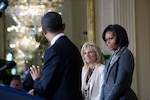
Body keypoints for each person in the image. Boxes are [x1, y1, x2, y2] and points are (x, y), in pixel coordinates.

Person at [28, 11, 84, 100]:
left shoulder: (53, 51)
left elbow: (44, 88)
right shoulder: (73, 48)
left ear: (43, 30)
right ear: (63, 26)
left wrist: (37, 79)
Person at [100, 24, 138, 100]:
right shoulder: (111, 57)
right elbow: (105, 84)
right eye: (106, 40)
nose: (108, 42)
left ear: (119, 37)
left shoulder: (126, 54)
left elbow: (120, 84)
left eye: (110, 38)